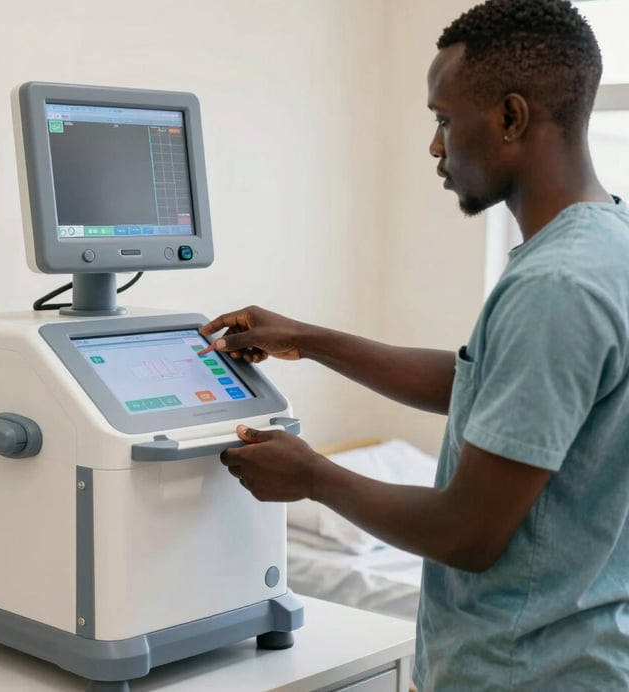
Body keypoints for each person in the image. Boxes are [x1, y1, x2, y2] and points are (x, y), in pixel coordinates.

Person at [197, 0, 629, 689]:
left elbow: (468, 534)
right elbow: (492, 386)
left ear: (512, 118)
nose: (436, 147)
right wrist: (311, 339)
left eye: (444, 119)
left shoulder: (556, 285)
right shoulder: (608, 243)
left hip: (529, 670)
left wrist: (313, 477)